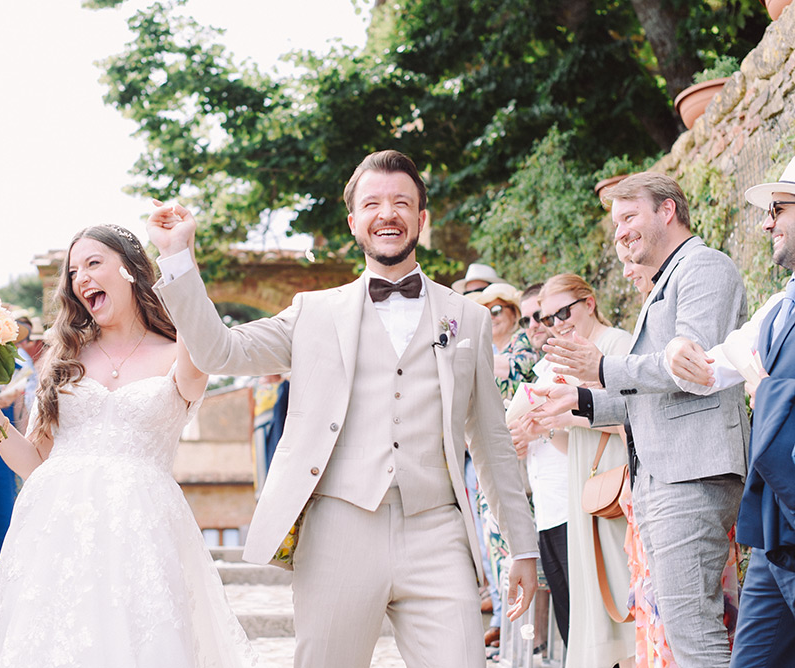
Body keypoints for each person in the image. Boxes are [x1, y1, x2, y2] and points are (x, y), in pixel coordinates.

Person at [150, 149, 538, 668]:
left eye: (402, 202)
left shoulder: (466, 317)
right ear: (353, 220)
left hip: (437, 530)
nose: (388, 213)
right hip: (337, 527)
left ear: (421, 218)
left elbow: (491, 441)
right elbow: (219, 350)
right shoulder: (313, 311)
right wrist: (178, 258)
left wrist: (523, 546)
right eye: (373, 203)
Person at [0, 224, 255, 667]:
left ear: (132, 271)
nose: (81, 278)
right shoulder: (62, 360)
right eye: (74, 271)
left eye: (94, 263)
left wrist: (179, 259)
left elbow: (196, 359)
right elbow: (35, 461)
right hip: (53, 528)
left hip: (142, 529)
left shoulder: (180, 351)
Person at [535, 172, 748, 668]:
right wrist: (580, 402)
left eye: (629, 217)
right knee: (680, 627)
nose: (620, 233)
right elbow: (651, 397)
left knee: (693, 630)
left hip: (691, 474)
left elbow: (690, 368)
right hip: (659, 479)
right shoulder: (663, 284)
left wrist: (603, 367)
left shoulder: (703, 268)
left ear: (667, 211)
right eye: (615, 225)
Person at [665, 156, 795, 668]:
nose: (766, 221)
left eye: (778, 208)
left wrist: (767, 391)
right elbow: (715, 365)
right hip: (771, 530)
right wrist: (678, 352)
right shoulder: (781, 304)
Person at [527, 274, 635, 667]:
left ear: (588, 303)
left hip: (617, 490)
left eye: (563, 312)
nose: (558, 323)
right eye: (549, 318)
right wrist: (549, 422)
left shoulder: (616, 346)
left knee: (625, 600)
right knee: (597, 602)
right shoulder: (572, 358)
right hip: (587, 489)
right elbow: (570, 443)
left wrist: (573, 414)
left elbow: (634, 420)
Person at [465, 281, 537, 648]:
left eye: (497, 310)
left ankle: (525, 635)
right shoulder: (488, 349)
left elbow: (512, 369)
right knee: (492, 544)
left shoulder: (522, 346)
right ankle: (507, 628)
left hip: (519, 460)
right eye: (485, 312)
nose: (491, 317)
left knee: (517, 548)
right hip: (488, 456)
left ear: (512, 313)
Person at [510, 283, 570, 647]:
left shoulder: (571, 364)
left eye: (540, 316)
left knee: (582, 618)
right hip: (546, 509)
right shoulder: (543, 369)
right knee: (567, 618)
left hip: (576, 505)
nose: (533, 324)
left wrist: (540, 430)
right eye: (527, 319)